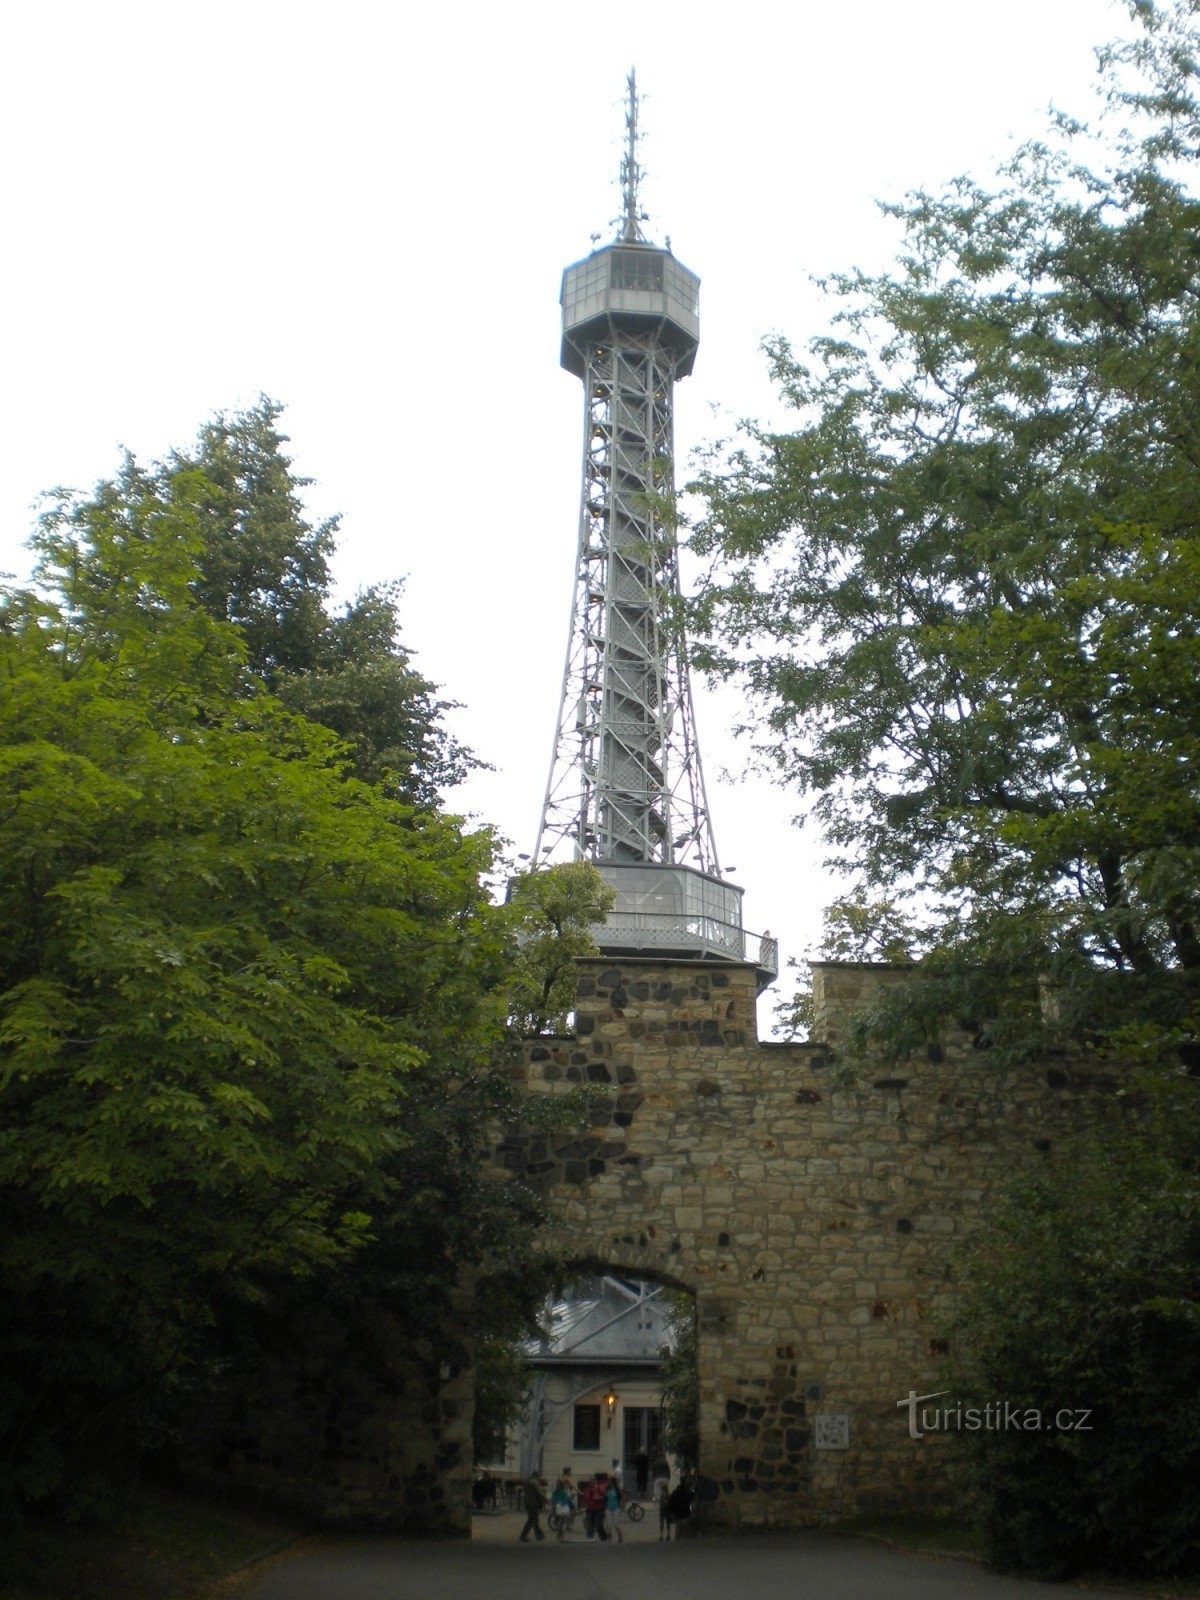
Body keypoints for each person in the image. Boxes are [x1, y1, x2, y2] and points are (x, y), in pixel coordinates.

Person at [519, 1473, 547, 1542]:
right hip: (533, 1502)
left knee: (534, 1518)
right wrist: (545, 1499)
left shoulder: (527, 1481)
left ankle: (539, 1534)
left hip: (526, 1502)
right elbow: (539, 1492)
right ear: (537, 1476)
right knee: (532, 1519)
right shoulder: (535, 1482)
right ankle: (523, 1536)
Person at [582, 1473, 608, 1540]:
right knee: (590, 1524)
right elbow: (585, 1498)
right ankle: (590, 1538)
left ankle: (603, 1538)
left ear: (595, 1482)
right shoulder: (588, 1489)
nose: (591, 1484)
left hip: (600, 1509)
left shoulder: (600, 1488)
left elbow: (605, 1495)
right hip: (590, 1509)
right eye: (590, 1483)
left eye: (592, 1483)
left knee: (598, 1524)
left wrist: (600, 1496)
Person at [551, 1474, 573, 1540]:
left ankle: (558, 1537)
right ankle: (561, 1536)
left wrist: (561, 1503)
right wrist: (554, 1503)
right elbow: (553, 1499)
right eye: (556, 1484)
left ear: (560, 1485)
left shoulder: (564, 1492)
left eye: (557, 1484)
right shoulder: (554, 1492)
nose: (556, 1486)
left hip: (562, 1511)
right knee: (558, 1525)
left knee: (559, 1525)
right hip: (556, 1510)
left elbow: (565, 1500)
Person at [605, 1471, 624, 1543]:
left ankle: (620, 1536)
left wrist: (622, 1505)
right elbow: (604, 1496)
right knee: (608, 1524)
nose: (608, 1482)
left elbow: (622, 1496)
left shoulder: (616, 1489)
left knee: (616, 1524)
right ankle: (609, 1538)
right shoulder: (607, 1488)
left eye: (610, 1480)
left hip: (616, 1508)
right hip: (608, 1508)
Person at [654, 1464, 671, 1540]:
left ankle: (662, 1535)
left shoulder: (663, 1495)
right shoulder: (668, 1495)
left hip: (663, 1510)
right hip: (667, 1510)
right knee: (667, 1522)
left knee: (662, 1522)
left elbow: (660, 1503)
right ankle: (667, 1535)